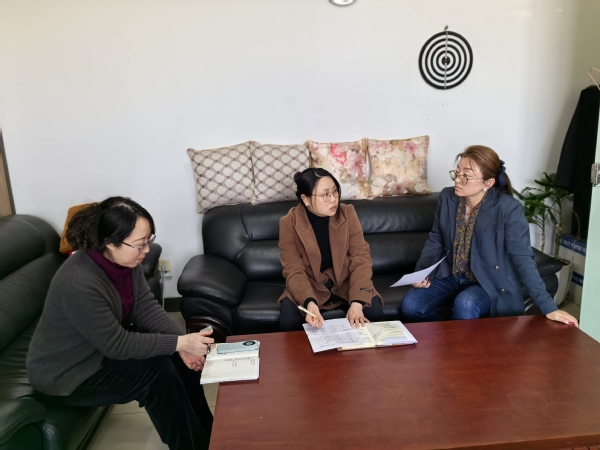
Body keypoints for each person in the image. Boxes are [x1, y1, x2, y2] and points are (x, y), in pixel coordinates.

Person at [27, 197, 214, 450]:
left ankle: (212, 436)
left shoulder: (126, 262)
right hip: (67, 373)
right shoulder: (78, 282)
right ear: (109, 242)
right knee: (156, 373)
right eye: (139, 244)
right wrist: (180, 343)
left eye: (149, 240)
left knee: (178, 359)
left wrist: (182, 344)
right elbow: (117, 345)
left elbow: (145, 308)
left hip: (98, 353)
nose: (146, 250)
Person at [401, 145, 579, 327]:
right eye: (457, 172)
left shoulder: (508, 209)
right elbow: (436, 239)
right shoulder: (447, 197)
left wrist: (549, 307)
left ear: (488, 183)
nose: (458, 180)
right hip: (452, 275)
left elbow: (524, 259)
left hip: (489, 280)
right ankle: (449, 338)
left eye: (466, 175)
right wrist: (420, 273)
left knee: (466, 303)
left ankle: (461, 344)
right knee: (411, 305)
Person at [278, 168, 385, 331]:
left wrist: (357, 302)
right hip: (309, 284)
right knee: (289, 319)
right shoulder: (289, 223)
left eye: (335, 191)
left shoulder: (347, 213)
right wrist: (309, 302)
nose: (334, 199)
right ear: (306, 199)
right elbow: (293, 269)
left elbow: (361, 258)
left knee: (373, 312)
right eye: (326, 195)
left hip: (346, 281)